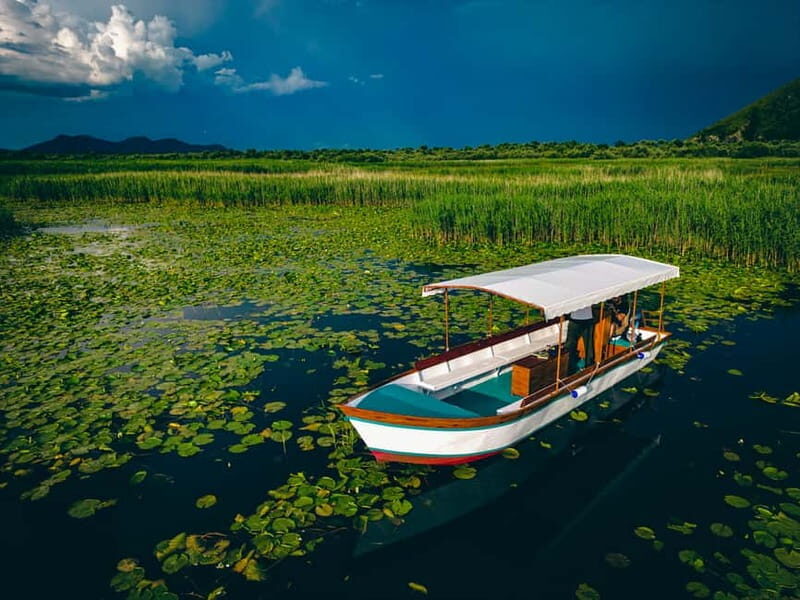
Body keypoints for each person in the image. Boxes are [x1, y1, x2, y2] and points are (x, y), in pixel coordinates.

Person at [565, 305, 594, 374]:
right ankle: (588, 366)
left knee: (571, 345)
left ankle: (570, 369)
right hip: (585, 319)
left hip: (578, 319)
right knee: (588, 344)